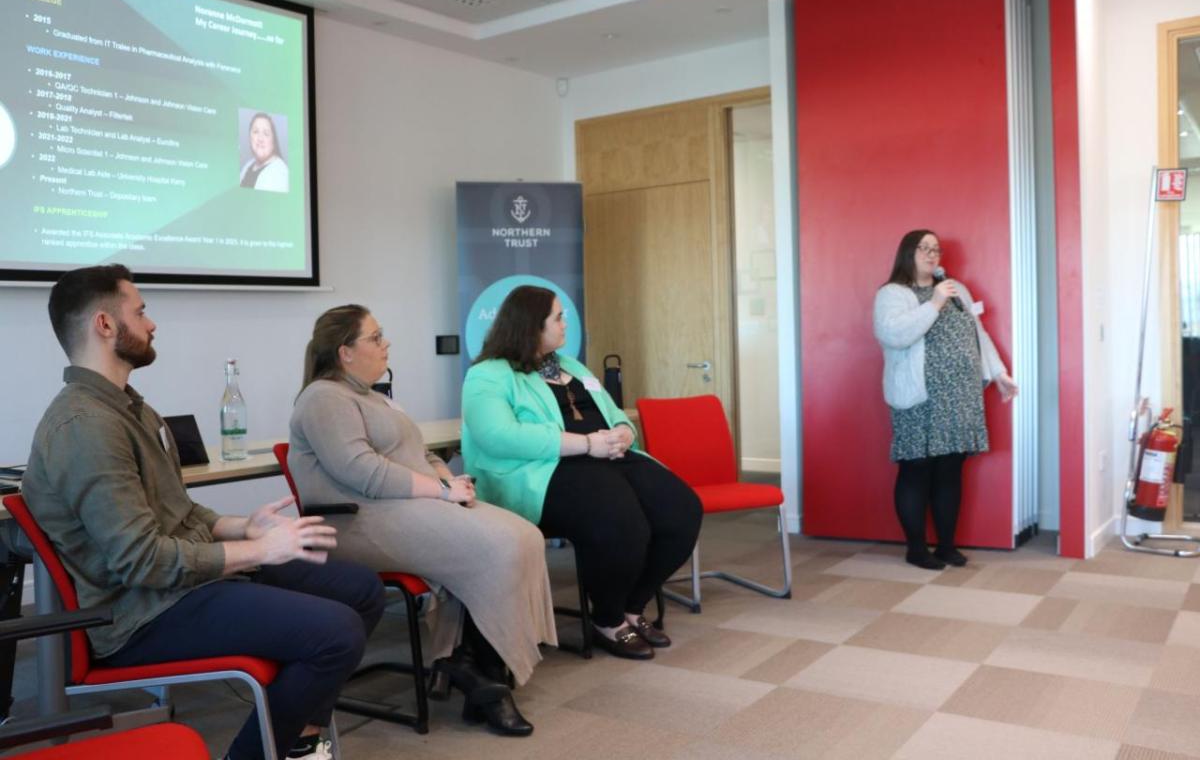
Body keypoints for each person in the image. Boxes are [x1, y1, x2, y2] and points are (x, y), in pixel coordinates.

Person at [21, 265, 385, 760]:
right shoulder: (86, 427)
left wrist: (243, 526)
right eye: (141, 311)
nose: (151, 324)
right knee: (336, 633)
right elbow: (142, 561)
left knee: (361, 590)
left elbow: (181, 509)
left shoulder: (131, 409)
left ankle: (299, 733)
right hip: (142, 613)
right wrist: (256, 550)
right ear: (105, 325)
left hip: (183, 585)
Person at [287, 305, 555, 738]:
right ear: (345, 352)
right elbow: (363, 472)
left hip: (404, 507)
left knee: (524, 535)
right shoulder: (323, 398)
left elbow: (423, 454)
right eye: (375, 337)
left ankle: (476, 668)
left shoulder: (375, 396)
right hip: (356, 522)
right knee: (497, 545)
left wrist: (452, 481)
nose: (386, 343)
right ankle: (480, 676)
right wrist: (441, 493)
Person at [461, 285, 703, 661]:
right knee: (624, 523)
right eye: (557, 317)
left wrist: (624, 431)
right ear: (530, 326)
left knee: (682, 509)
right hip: (543, 472)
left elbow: (613, 411)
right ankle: (607, 620)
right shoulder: (488, 375)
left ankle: (632, 608)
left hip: (607, 457)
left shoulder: (570, 365)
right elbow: (497, 437)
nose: (565, 323)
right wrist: (585, 443)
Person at [873, 230, 1018, 570]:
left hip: (961, 395)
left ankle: (947, 546)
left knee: (951, 471)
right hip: (921, 397)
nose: (931, 254)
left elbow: (977, 334)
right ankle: (916, 548)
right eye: (923, 248)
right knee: (917, 469)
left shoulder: (957, 289)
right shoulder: (893, 293)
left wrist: (999, 373)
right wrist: (934, 302)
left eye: (935, 249)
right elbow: (894, 335)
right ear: (907, 252)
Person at [239, 112, 289, 192]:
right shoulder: (248, 165)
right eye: (255, 132)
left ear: (274, 141)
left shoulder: (279, 173)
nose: (260, 139)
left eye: (266, 134)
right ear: (249, 137)